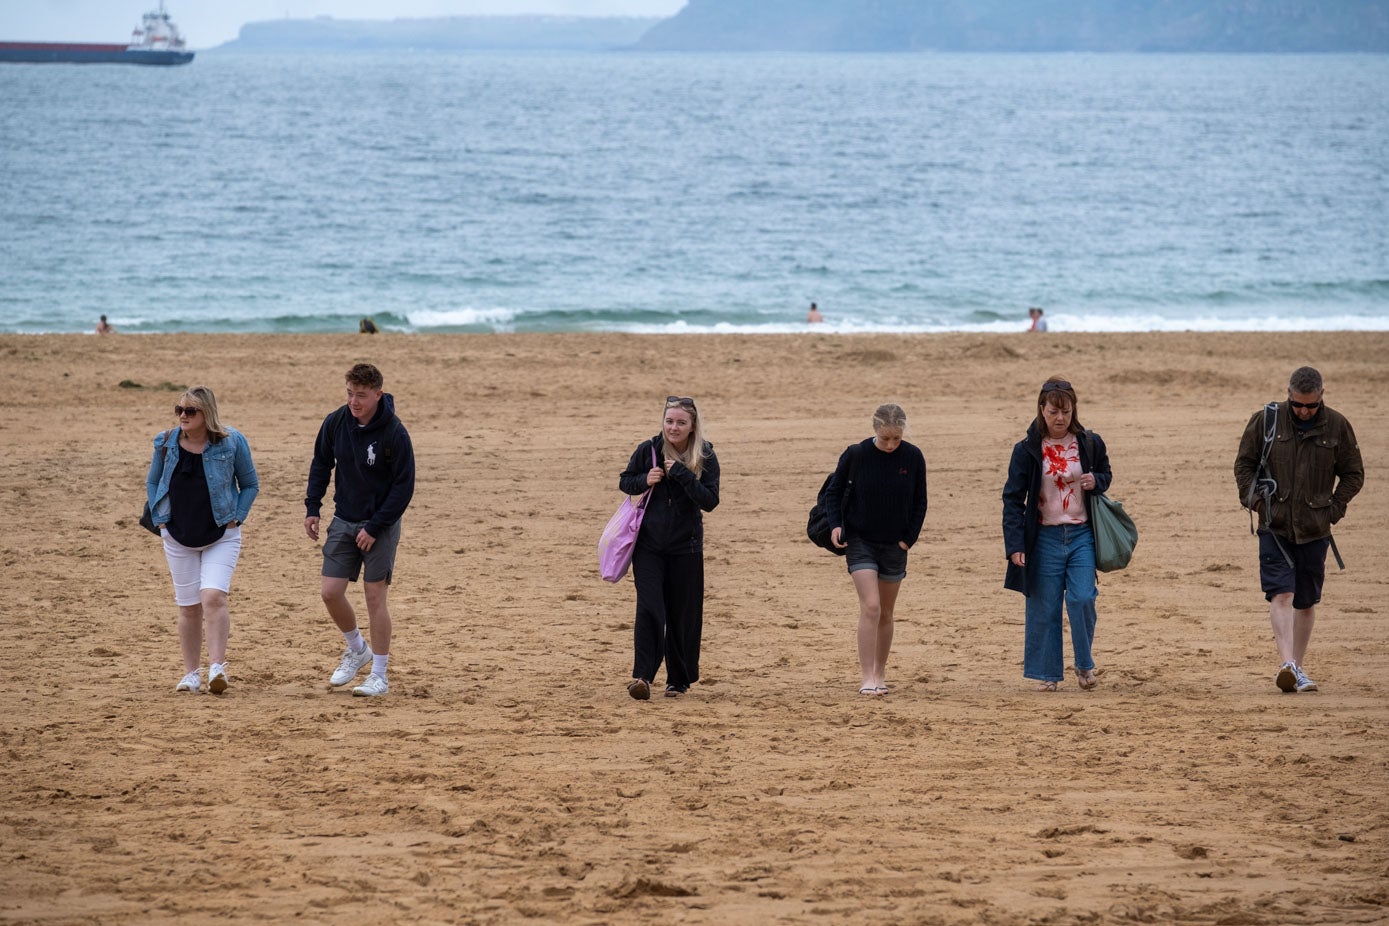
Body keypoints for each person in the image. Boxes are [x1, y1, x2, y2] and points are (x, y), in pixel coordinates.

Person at [1234, 366, 1363, 693]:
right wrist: (1257, 503)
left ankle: (1299, 667)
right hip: (1273, 526)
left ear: (1321, 397)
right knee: (1281, 593)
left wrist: (1333, 510)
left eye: (1311, 405)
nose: (1304, 411)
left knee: (1305, 600)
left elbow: (1353, 474)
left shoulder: (1337, 425)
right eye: (1298, 405)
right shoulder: (1266, 420)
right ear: (1288, 395)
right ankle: (1287, 663)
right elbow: (1244, 465)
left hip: (1315, 529)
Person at [305, 363, 415, 697]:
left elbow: (403, 487)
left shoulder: (394, 432)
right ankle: (357, 648)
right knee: (330, 591)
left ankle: (379, 675)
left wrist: (375, 527)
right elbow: (321, 463)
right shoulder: (336, 422)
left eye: (362, 396)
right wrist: (313, 507)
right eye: (350, 393)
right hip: (344, 517)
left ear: (378, 395)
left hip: (380, 523)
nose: (354, 401)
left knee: (373, 595)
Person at [146, 386, 259, 694]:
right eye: (179, 410)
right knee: (188, 606)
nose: (183, 416)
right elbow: (153, 480)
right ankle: (191, 674)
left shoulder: (231, 441)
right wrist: (161, 522)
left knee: (213, 597)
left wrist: (238, 514)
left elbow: (249, 484)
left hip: (222, 532)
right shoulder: (165, 442)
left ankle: (217, 668)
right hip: (177, 534)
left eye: (190, 411)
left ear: (206, 414)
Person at [1002, 378, 1111, 691]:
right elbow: (1012, 499)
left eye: (1065, 411)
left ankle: (1084, 664)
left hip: (1081, 535)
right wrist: (1015, 545)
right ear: (1041, 410)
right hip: (1044, 537)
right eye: (1053, 412)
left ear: (1073, 410)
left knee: (1082, 598)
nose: (1059, 418)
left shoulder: (1089, 443)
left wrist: (1096, 480)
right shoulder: (1026, 450)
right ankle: (1047, 674)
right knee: (1044, 605)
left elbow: (1105, 473)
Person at [618, 395, 720, 699]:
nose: (673, 427)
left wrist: (682, 474)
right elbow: (626, 481)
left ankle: (678, 679)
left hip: (686, 547)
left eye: (680, 422)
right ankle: (643, 677)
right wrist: (643, 480)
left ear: (692, 426)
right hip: (648, 546)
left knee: (683, 614)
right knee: (650, 608)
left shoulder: (705, 455)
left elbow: (710, 501)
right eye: (669, 421)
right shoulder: (648, 449)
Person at [824, 404, 928, 696]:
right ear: (875, 430)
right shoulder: (856, 454)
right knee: (871, 606)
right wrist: (835, 525)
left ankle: (881, 673)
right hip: (861, 541)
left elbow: (920, 501)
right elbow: (833, 492)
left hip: (895, 545)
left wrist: (909, 539)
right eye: (886, 439)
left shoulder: (913, 456)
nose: (892, 444)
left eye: (896, 438)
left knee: (886, 612)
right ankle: (867, 677)